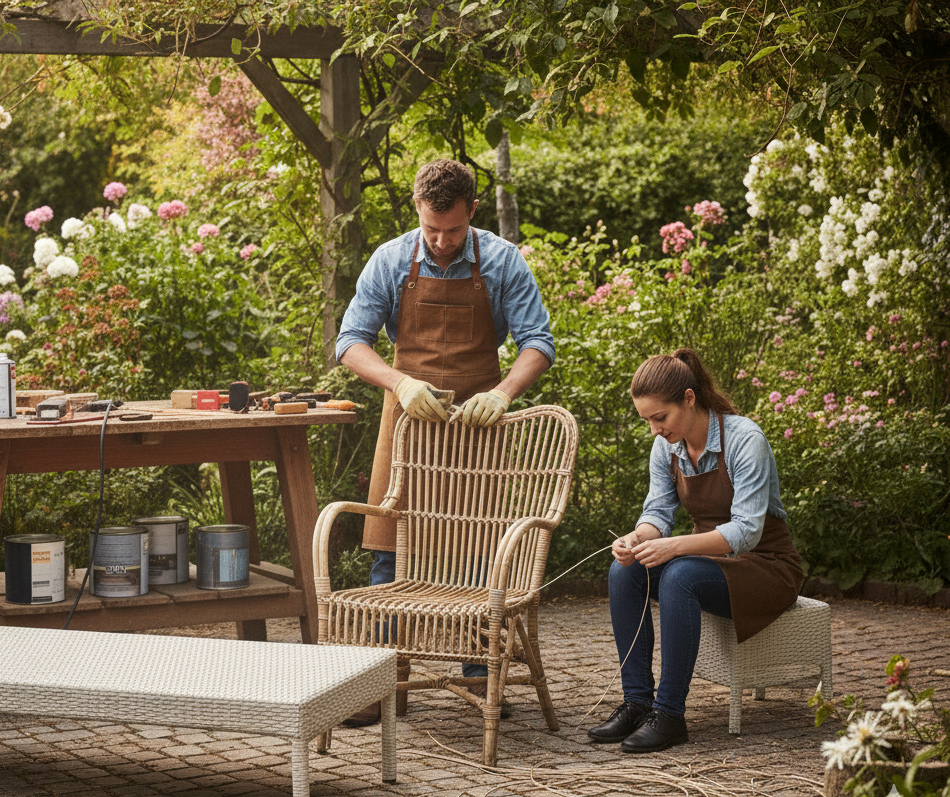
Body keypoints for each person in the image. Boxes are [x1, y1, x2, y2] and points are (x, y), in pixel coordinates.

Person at [335, 158, 556, 725]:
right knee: (389, 552)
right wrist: (400, 381)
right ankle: (377, 683)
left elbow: (538, 342)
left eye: (452, 231)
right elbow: (350, 342)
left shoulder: (503, 262)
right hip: (407, 426)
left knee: (480, 554)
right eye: (431, 229)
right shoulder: (390, 259)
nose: (439, 241)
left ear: (472, 213)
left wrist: (504, 392)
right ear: (417, 209)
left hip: (476, 429)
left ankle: (482, 677)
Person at [588, 348, 803, 753]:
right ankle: (637, 703)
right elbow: (657, 513)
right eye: (646, 420)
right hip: (707, 562)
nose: (654, 429)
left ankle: (670, 715)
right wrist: (637, 539)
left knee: (679, 574)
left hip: (766, 568)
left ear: (689, 398)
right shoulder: (666, 448)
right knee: (625, 572)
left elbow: (746, 532)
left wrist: (672, 548)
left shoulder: (745, 440)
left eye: (660, 417)